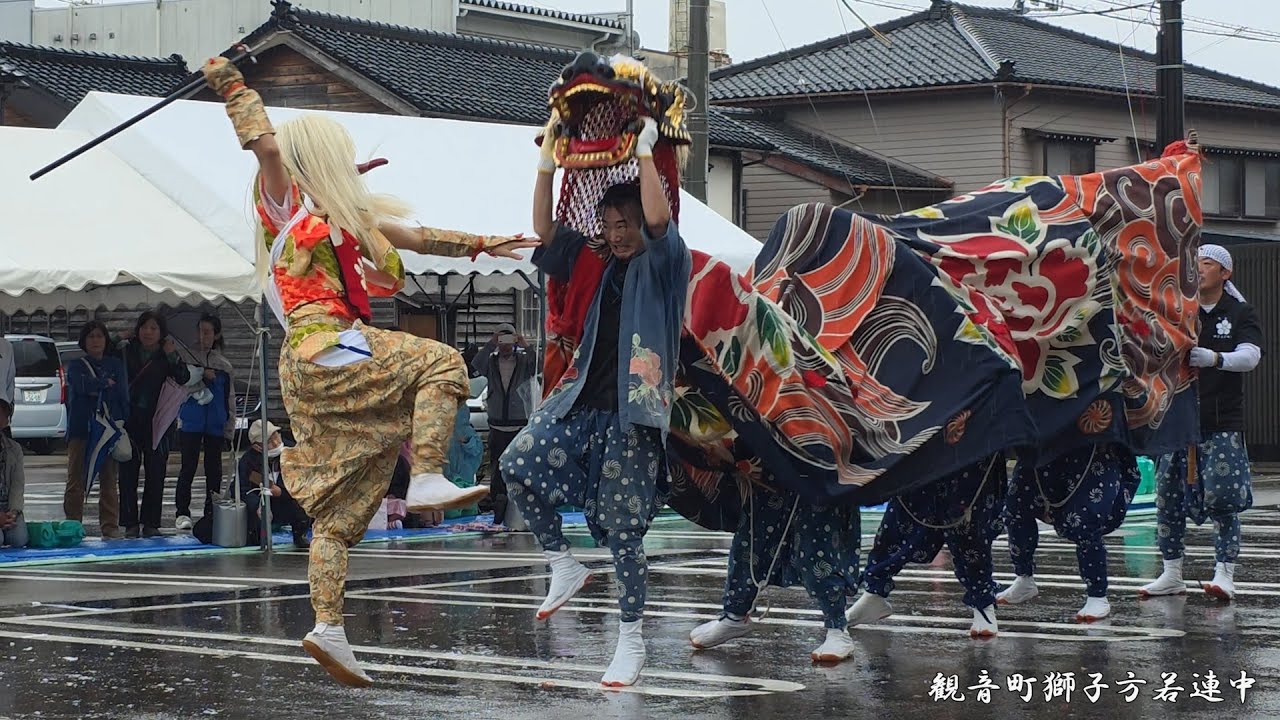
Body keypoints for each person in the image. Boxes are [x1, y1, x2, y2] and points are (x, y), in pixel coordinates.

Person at [201, 56, 537, 687]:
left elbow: (413, 234)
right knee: (441, 360)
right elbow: (264, 146)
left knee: (340, 513)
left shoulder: (339, 217)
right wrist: (233, 85)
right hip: (326, 345)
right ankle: (430, 477)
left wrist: (483, 243)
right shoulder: (286, 211)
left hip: (313, 368)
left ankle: (328, 627)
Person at [499, 114, 689, 688]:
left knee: (625, 532)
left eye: (624, 223)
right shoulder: (597, 262)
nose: (617, 232)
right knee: (516, 464)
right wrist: (545, 164)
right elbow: (543, 229)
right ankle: (563, 562)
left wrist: (649, 153)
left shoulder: (664, 264)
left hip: (632, 417)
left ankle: (630, 641)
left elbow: (660, 219)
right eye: (608, 224)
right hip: (580, 404)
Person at [1140, 244, 1264, 601]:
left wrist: (1215, 358)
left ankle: (1225, 572)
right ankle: (1171, 573)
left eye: (1207, 264)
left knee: (1223, 498)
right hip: (1177, 418)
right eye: (1194, 264)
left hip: (1220, 418)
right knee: (1168, 497)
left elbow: (1250, 357)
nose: (1199, 269)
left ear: (1225, 273)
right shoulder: (1178, 310)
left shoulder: (1239, 312)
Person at [689, 484, 861, 662]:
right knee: (750, 541)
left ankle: (837, 628)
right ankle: (735, 615)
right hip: (770, 471)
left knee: (817, 551)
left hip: (820, 472)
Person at [846, 456, 1007, 637]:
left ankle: (982, 601)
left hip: (973, 448)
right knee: (902, 514)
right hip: (925, 442)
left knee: (968, 527)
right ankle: (874, 592)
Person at [997, 442, 1141, 621]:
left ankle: (1097, 594)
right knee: (1015, 506)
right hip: (1040, 448)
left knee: (1086, 521)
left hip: (1090, 449)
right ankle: (1024, 576)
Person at [119, 310, 191, 538]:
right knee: (128, 473)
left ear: (161, 332)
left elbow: (184, 377)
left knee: (156, 471)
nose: (148, 332)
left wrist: (171, 355)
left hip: (159, 421)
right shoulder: (127, 351)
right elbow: (104, 350)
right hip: (131, 419)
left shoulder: (166, 354)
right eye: (144, 327)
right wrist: (118, 336)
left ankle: (151, 523)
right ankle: (129, 522)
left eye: (154, 328)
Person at [63, 321, 129, 539]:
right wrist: (103, 383)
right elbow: (80, 386)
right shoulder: (75, 365)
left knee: (109, 479)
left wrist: (97, 385)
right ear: (84, 341)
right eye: (91, 336)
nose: (96, 340)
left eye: (100, 336)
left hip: (108, 431)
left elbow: (121, 394)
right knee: (76, 479)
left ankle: (110, 526)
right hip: (81, 428)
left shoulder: (116, 364)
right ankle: (73, 525)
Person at [471, 323, 536, 527]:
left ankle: (521, 510)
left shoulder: (524, 361)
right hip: (497, 424)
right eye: (502, 340)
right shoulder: (491, 362)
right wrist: (491, 344)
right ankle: (498, 511)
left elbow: (540, 365)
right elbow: (475, 365)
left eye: (509, 340)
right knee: (497, 470)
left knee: (519, 468)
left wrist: (526, 345)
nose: (505, 345)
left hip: (519, 424)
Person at [175, 313, 235, 531]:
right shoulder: (185, 357)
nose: (203, 336)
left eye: (208, 332)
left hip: (215, 423)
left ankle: (211, 511)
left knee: (214, 470)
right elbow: (179, 388)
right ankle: (182, 511)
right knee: (188, 467)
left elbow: (229, 397)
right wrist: (200, 376)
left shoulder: (224, 365)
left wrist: (230, 427)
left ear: (216, 334)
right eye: (200, 331)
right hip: (190, 422)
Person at [237, 420, 311, 550]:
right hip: (262, 502)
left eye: (276, 436)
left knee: (303, 502)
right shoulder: (248, 461)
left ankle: (300, 533)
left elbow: (304, 483)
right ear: (257, 447)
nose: (276, 443)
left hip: (287, 499)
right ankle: (257, 536)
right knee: (252, 519)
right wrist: (256, 506)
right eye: (269, 442)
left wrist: (281, 492)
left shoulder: (292, 451)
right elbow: (243, 489)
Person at [0, 399, 27, 548]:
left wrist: (13, 512)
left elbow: (18, 485)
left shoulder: (14, 449)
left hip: (7, 508)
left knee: (19, 539)